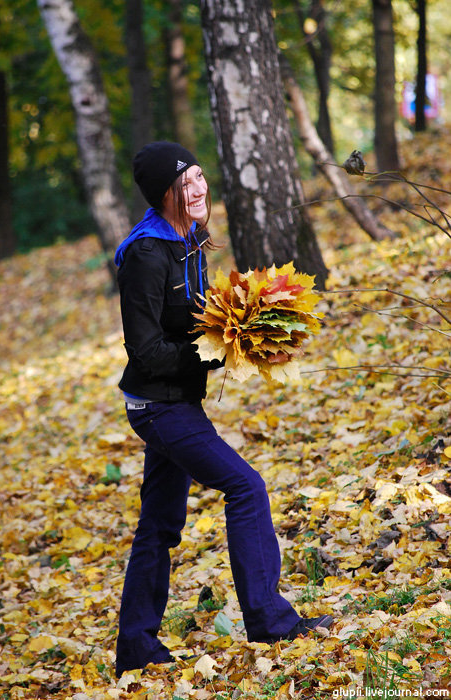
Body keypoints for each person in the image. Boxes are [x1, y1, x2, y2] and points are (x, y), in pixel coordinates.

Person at [114, 141, 333, 678]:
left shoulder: (189, 240)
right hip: (157, 406)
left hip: (176, 398)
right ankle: (269, 619)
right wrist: (216, 352)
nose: (198, 190)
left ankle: (136, 648)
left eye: (199, 178)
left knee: (159, 526)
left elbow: (197, 319)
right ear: (162, 194)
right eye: (183, 184)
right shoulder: (146, 254)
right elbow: (144, 349)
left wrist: (247, 328)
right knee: (245, 486)